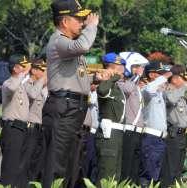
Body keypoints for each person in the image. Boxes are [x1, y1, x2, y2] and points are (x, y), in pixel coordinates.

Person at [42, 0, 99, 187]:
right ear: (65, 21)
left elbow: (76, 79)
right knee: (57, 165)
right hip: (63, 109)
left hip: (74, 109)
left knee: (72, 167)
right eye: (78, 19)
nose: (82, 23)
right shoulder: (58, 40)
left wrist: (96, 77)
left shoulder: (69, 45)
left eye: (84, 20)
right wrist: (92, 27)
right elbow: (83, 47)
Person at [95, 53, 127, 182]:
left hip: (117, 133)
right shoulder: (106, 85)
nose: (121, 72)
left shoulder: (116, 87)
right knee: (106, 173)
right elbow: (102, 91)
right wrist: (112, 77)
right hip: (109, 133)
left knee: (115, 174)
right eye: (118, 69)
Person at [0, 56, 31, 187]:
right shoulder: (8, 83)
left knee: (21, 167)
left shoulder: (21, 85)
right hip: (12, 129)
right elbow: (12, 87)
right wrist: (24, 73)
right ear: (15, 68)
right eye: (22, 66)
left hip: (22, 129)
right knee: (10, 167)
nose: (25, 68)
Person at [139, 61, 172, 186]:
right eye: (160, 74)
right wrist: (168, 74)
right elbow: (149, 88)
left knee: (156, 175)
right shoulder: (146, 91)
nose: (164, 78)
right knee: (148, 174)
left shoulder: (159, 93)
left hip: (160, 138)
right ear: (152, 75)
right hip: (150, 137)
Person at [119, 52, 148, 184]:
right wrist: (136, 76)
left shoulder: (136, 85)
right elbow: (127, 90)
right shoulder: (122, 82)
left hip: (138, 131)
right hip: (129, 129)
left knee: (135, 167)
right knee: (127, 165)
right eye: (136, 66)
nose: (140, 70)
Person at [160, 65, 187, 187]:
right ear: (175, 78)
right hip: (173, 134)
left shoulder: (181, 93)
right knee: (170, 170)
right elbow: (171, 100)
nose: (186, 81)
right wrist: (184, 87)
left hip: (182, 134)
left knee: (178, 170)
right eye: (184, 78)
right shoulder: (167, 90)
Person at [24, 60, 48, 182]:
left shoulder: (42, 87)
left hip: (40, 128)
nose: (45, 73)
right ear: (33, 70)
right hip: (30, 127)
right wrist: (43, 80)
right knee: (27, 159)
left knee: (38, 161)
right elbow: (32, 94)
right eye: (42, 70)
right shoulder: (27, 83)